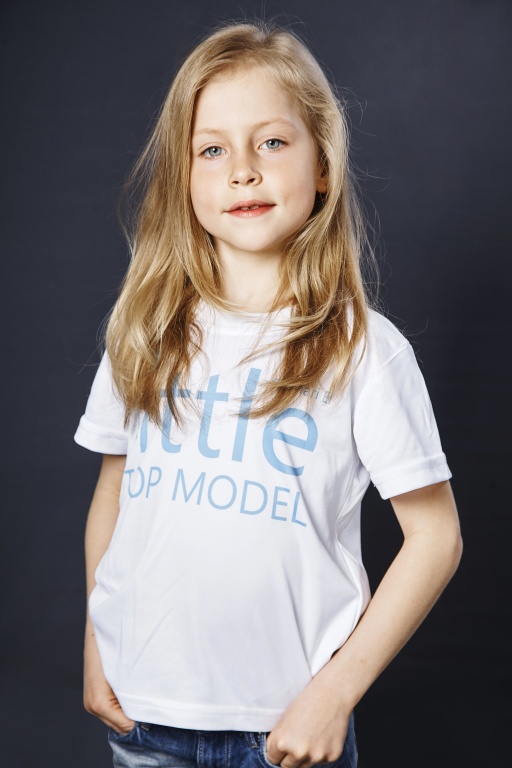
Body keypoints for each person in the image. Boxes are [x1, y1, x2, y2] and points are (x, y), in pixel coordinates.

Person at [74, 20, 463, 768]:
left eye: (273, 142)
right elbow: (113, 495)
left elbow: (436, 538)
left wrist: (334, 695)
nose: (243, 172)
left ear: (323, 166)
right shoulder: (145, 330)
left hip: (286, 731)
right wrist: (97, 643)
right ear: (184, 179)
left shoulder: (365, 349)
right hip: (145, 721)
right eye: (212, 150)